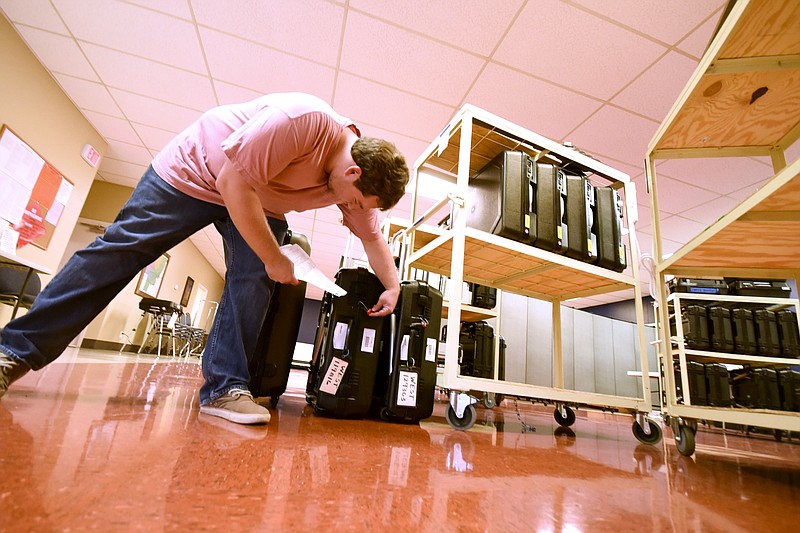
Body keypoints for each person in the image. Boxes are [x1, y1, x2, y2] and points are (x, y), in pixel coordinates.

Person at [0, 92, 409, 425]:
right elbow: (233, 181)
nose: (348, 209)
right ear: (353, 172)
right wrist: (272, 256)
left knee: (253, 280)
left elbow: (371, 236)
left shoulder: (361, 186)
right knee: (122, 250)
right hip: (195, 172)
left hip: (259, 197)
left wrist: (391, 286)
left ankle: (224, 389)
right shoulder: (301, 121)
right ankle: (13, 351)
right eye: (351, 200)